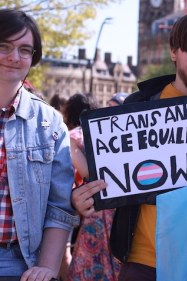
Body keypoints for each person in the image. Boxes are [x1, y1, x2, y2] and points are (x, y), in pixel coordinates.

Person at [71, 12, 187, 281]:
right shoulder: (137, 107)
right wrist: (81, 196)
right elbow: (108, 175)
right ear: (174, 52)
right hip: (144, 263)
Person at [0, 9, 78, 280]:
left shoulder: (51, 124)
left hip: (19, 265)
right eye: (4, 46)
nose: (14, 57)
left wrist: (46, 268)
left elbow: (59, 206)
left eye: (25, 50)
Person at [61, 93, 122, 281]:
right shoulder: (119, 135)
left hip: (93, 208)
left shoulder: (76, 135)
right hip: (112, 213)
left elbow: (87, 173)